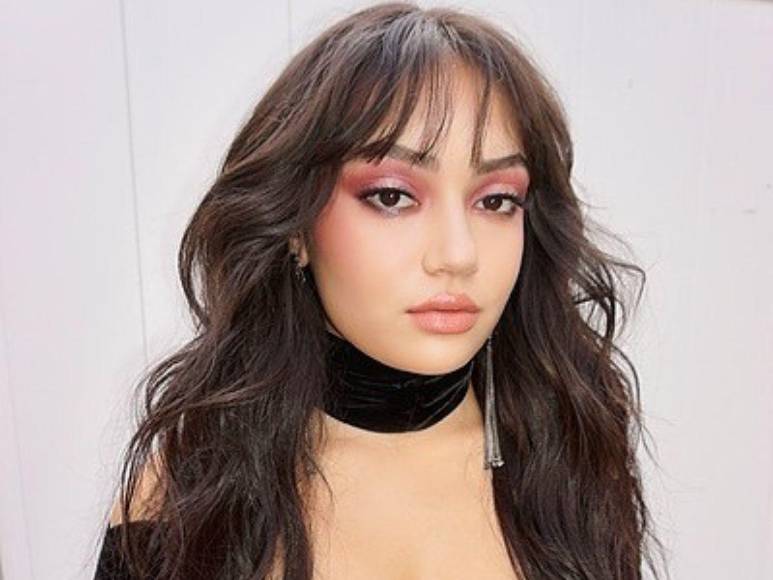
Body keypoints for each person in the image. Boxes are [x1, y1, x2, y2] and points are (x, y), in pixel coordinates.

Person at [93, 2, 669, 579]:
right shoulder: (186, 494)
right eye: (392, 196)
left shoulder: (571, 452)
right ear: (296, 226)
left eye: (495, 201)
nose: (458, 255)